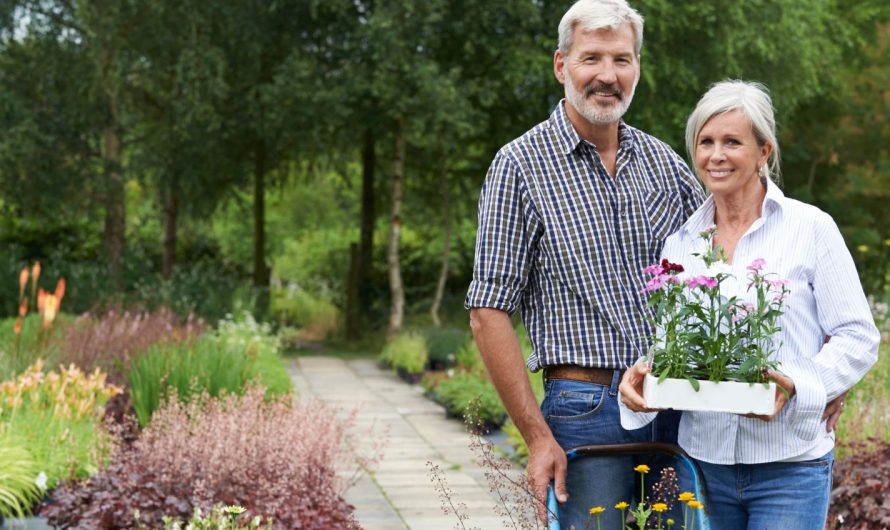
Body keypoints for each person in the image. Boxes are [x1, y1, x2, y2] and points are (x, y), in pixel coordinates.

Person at [464, 1, 707, 527]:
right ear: (561, 65)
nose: (606, 75)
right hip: (584, 410)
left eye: (621, 60)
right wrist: (535, 437)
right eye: (591, 58)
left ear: (637, 68)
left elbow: (730, 264)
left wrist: (813, 373)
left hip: (676, 404)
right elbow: (488, 310)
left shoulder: (665, 164)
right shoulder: (520, 167)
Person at [619, 80, 880, 529]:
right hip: (704, 463)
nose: (715, 155)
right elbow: (678, 348)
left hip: (790, 465)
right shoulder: (683, 243)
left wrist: (798, 383)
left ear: (764, 152)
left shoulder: (811, 228)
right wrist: (643, 377)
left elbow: (858, 336)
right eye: (705, 142)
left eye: (732, 142)